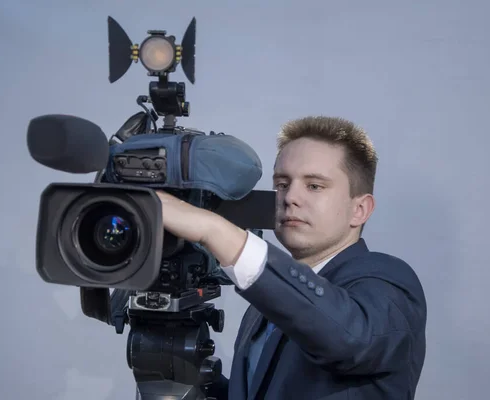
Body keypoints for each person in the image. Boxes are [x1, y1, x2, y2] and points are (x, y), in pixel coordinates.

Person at [155, 115, 427, 399]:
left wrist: (214, 229)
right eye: (282, 183)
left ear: (359, 209)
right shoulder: (264, 305)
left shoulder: (390, 283)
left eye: (314, 186)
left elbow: (349, 338)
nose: (290, 197)